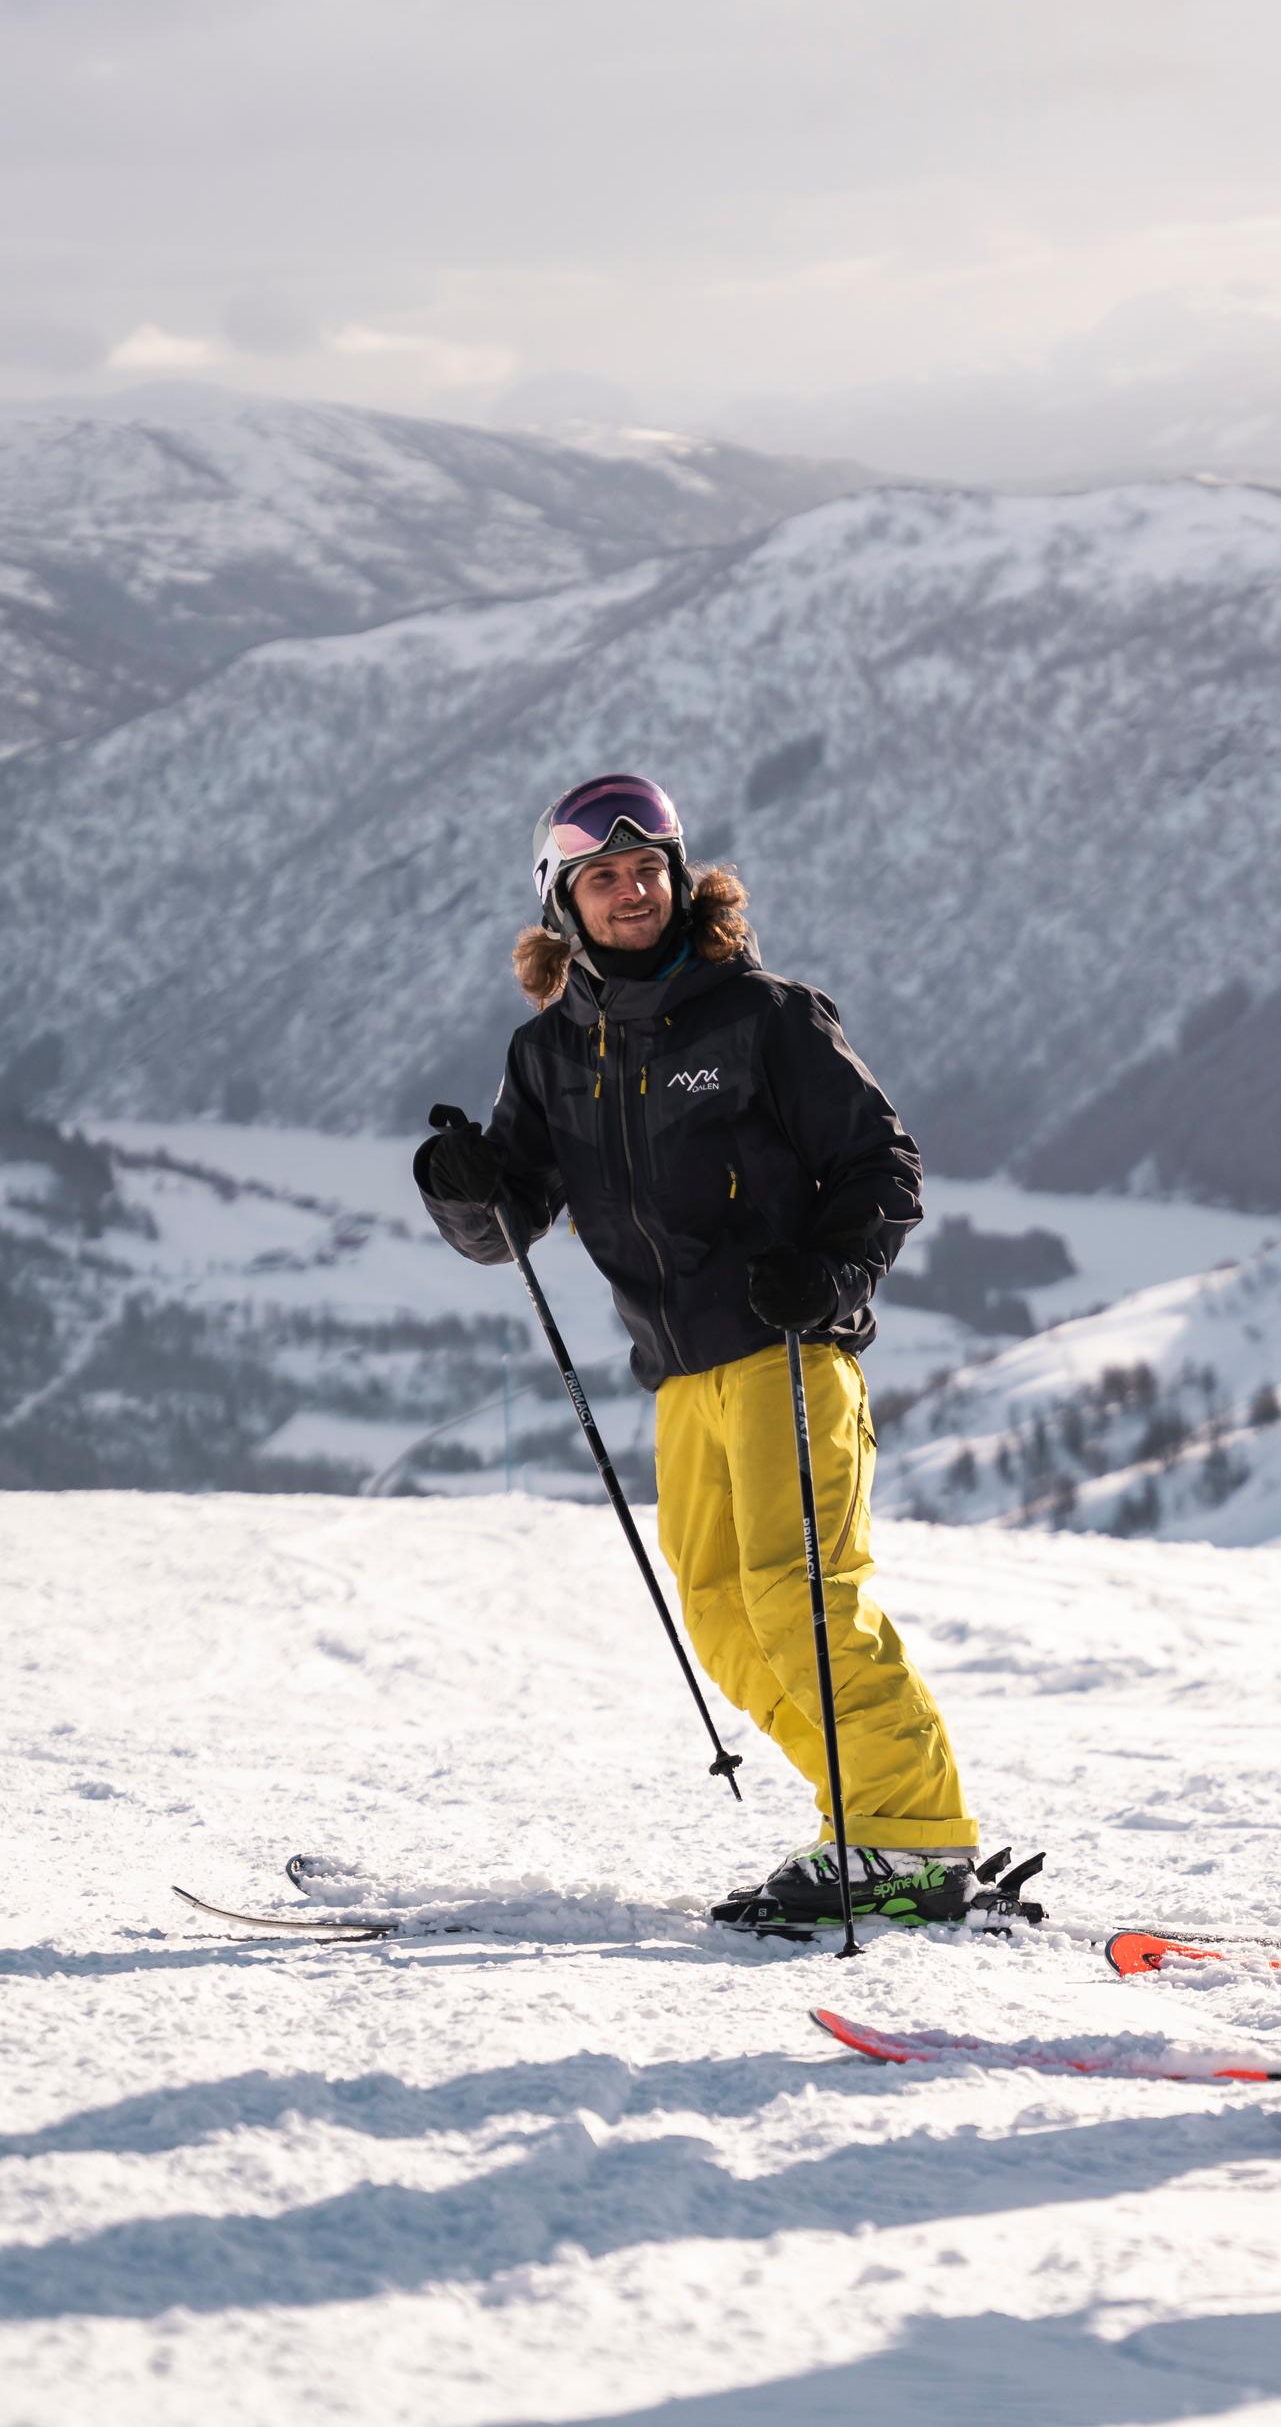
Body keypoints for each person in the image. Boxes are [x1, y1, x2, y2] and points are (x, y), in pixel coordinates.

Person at [414, 773, 983, 1926]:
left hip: (786, 1351)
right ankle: (864, 1825)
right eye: (604, 877)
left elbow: (886, 1167)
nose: (632, 891)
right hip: (680, 1376)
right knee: (723, 1611)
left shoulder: (764, 1016)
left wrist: (829, 1274)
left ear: (682, 879)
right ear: (562, 902)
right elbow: (506, 1226)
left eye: (649, 870)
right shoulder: (550, 1054)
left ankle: (913, 1837)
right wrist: (463, 1189)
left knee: (800, 1597)